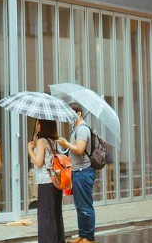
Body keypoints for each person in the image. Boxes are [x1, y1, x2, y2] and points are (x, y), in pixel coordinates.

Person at [58, 103, 95, 243]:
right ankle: (82, 235)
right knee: (80, 206)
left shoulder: (82, 129)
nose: (68, 118)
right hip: (78, 171)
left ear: (79, 113)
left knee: (85, 207)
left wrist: (66, 144)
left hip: (83, 172)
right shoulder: (76, 129)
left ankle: (89, 237)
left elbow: (80, 150)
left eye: (70, 114)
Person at [27, 119, 64, 243]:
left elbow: (38, 163)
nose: (36, 125)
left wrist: (30, 150)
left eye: (37, 122)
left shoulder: (42, 141)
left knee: (45, 216)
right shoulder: (54, 140)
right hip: (56, 182)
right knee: (55, 214)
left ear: (42, 125)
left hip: (46, 182)